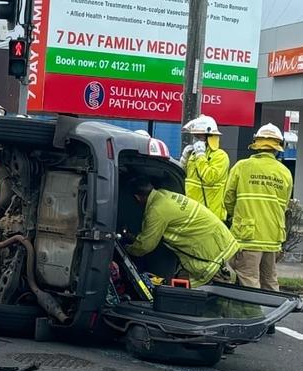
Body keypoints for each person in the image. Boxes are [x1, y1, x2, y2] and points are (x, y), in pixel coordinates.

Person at [125, 178, 239, 288]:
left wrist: (127, 249)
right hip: (223, 243)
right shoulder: (165, 195)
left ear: (137, 198)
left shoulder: (156, 210)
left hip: (214, 256)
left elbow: (145, 246)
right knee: (180, 282)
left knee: (218, 298)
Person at [225, 123, 293, 296]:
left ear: (256, 144)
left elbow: (228, 198)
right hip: (273, 237)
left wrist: (237, 216)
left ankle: (252, 318)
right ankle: (273, 317)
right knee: (270, 280)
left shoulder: (242, 166)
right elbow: (284, 204)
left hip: (248, 235)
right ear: (279, 147)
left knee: (249, 279)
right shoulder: (285, 172)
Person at [180, 115, 230, 221]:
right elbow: (183, 177)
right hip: (191, 212)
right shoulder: (195, 154)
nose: (195, 140)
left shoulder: (220, 156)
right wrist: (184, 159)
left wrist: (201, 156)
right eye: (194, 137)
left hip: (211, 215)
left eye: (198, 137)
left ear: (209, 136)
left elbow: (209, 178)